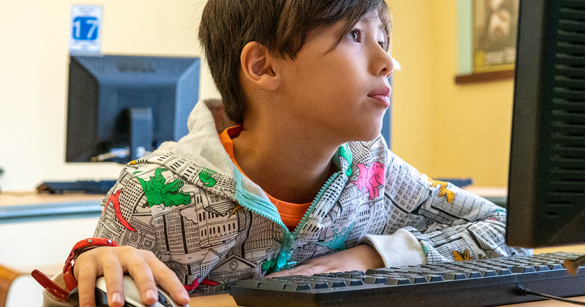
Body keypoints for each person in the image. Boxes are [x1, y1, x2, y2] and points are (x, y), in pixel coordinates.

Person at [41, 1, 527, 306]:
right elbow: (90, 286)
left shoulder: (375, 172)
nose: (389, 62)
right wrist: (85, 275)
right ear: (263, 66)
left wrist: (370, 258)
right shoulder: (154, 195)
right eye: (355, 36)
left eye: (384, 40)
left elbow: (505, 230)